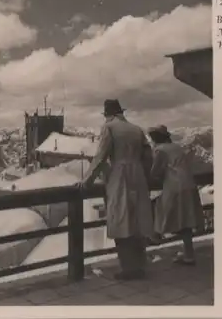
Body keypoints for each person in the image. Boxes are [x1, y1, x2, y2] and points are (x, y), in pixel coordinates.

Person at [78, 99, 154, 280]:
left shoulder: (109, 128)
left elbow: (101, 156)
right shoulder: (136, 129)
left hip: (120, 176)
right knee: (137, 221)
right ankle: (140, 265)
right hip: (138, 177)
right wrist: (145, 176)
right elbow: (148, 156)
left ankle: (128, 268)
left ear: (108, 114)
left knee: (121, 220)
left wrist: (86, 181)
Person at [148, 125, 204, 265]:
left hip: (175, 186)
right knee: (186, 220)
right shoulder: (177, 147)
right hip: (189, 185)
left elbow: (155, 172)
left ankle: (155, 237)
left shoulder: (160, 150)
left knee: (160, 208)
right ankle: (189, 255)